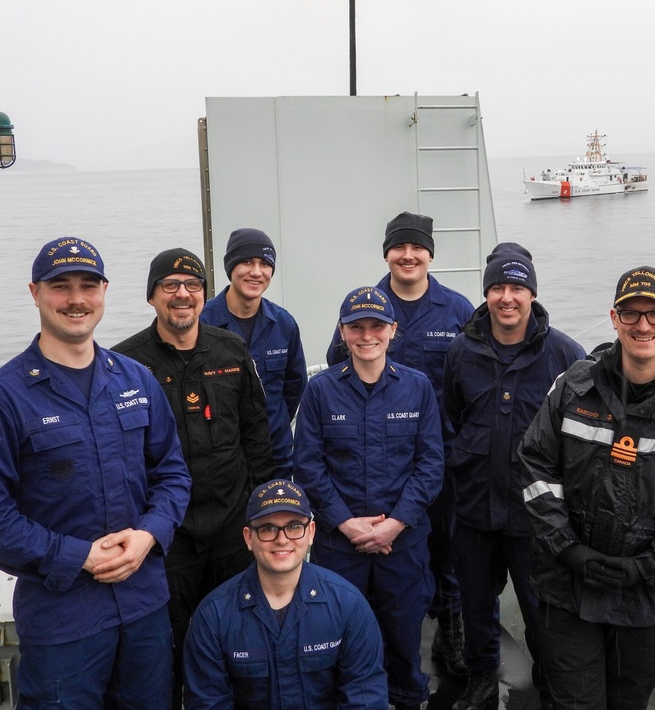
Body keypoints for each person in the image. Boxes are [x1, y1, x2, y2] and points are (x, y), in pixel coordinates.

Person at [0, 236, 191, 709]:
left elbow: (172, 474)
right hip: (62, 618)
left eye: (88, 285)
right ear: (35, 292)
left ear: (105, 291)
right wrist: (78, 556)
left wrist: (148, 535)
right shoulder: (0, 400)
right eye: (60, 286)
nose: (77, 299)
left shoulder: (135, 380)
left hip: (145, 604)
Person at [518, 266, 655, 710]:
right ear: (614, 318)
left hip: (648, 601)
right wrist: (567, 549)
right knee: (574, 703)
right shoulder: (573, 388)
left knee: (629, 702)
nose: (643, 325)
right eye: (631, 313)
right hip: (568, 590)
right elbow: (535, 467)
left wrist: (650, 568)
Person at [112, 247, 276, 707]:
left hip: (231, 524)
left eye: (193, 286)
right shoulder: (125, 364)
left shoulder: (232, 350)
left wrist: (261, 513)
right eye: (170, 286)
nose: (182, 295)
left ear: (205, 296)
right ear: (152, 297)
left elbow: (256, 436)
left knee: (241, 632)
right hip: (168, 534)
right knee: (169, 641)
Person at [326, 210, 475, 676]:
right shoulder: (365, 309)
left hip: (439, 458)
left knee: (445, 550)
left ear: (430, 253)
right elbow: (337, 371)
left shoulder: (457, 310)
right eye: (399, 247)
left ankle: (448, 631)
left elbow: (475, 379)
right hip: (376, 462)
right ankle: (375, 647)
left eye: (417, 247)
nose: (408, 256)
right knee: (384, 556)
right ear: (387, 253)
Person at [443, 242, 586, 710]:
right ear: (486, 294)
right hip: (474, 509)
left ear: (532, 294)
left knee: (543, 611)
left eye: (518, 287)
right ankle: (483, 680)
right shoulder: (462, 351)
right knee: (476, 604)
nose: (507, 297)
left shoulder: (565, 355)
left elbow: (582, 438)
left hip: (536, 518)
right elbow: (452, 417)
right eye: (498, 287)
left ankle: (551, 691)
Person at [296, 286, 444, 710]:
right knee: (337, 639)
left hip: (403, 544)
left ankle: (408, 700)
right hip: (339, 546)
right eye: (356, 327)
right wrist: (346, 523)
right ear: (342, 332)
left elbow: (431, 465)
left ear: (393, 330)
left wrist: (394, 524)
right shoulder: (321, 391)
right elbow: (308, 466)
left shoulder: (417, 388)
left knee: (402, 637)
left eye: (376, 326)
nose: (366, 335)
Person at [182, 478, 388, 710]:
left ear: (310, 532)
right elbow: (207, 703)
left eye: (293, 527)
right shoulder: (213, 617)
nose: (282, 539)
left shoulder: (348, 606)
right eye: (268, 528)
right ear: (249, 538)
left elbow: (365, 698)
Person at [200, 228, 307, 478]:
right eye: (247, 262)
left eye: (264, 263)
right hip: (221, 458)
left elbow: (294, 386)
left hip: (276, 454)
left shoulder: (283, 324)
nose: (256, 272)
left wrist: (273, 423)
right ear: (230, 267)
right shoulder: (203, 323)